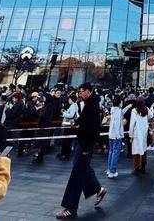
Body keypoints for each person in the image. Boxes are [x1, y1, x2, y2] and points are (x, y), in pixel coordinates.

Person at [56, 83, 106, 219]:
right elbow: (85, 119)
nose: (80, 94)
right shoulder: (90, 103)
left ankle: (71, 208)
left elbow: (93, 128)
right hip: (83, 143)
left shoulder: (92, 105)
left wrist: (86, 147)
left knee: (77, 174)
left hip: (85, 144)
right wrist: (76, 121)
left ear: (88, 91)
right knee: (81, 168)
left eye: (82, 91)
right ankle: (98, 189)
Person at [129, 98, 152, 175]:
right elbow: (151, 116)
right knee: (144, 150)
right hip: (144, 132)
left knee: (136, 151)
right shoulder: (146, 109)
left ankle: (136, 169)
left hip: (136, 133)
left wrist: (130, 135)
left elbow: (132, 124)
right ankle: (143, 168)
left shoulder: (134, 111)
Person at [32, 95, 54, 164]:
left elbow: (44, 116)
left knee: (41, 143)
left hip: (44, 127)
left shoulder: (48, 106)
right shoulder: (47, 106)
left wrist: (37, 111)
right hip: (43, 126)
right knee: (41, 143)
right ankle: (39, 157)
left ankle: (40, 158)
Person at [106, 95, 124, 178]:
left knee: (111, 152)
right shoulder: (119, 111)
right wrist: (118, 135)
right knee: (115, 153)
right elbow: (117, 125)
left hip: (111, 134)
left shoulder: (113, 110)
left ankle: (109, 169)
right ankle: (112, 171)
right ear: (119, 102)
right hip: (117, 135)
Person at [58, 93, 79, 160]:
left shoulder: (73, 106)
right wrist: (66, 112)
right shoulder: (74, 105)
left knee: (67, 140)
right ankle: (64, 153)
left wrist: (64, 113)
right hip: (70, 125)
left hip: (69, 125)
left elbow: (71, 115)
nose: (68, 100)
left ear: (72, 100)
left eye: (69, 99)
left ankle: (65, 154)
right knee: (67, 140)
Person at [4, 92, 24, 156]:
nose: (13, 99)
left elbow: (11, 115)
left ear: (17, 98)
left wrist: (7, 109)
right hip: (16, 123)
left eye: (13, 98)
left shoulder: (17, 105)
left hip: (13, 123)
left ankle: (11, 149)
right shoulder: (20, 104)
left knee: (11, 137)